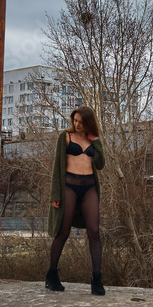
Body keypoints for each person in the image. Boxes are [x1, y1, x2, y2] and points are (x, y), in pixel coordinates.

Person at [46, 105, 106, 295]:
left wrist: (96, 142)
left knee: (94, 231)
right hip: (68, 187)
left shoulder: (92, 139)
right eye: (75, 120)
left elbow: (100, 164)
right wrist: (55, 195)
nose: (77, 124)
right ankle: (52, 275)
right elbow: (57, 167)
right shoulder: (65, 137)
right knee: (63, 231)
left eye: (81, 121)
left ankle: (96, 279)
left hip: (89, 187)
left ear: (89, 122)